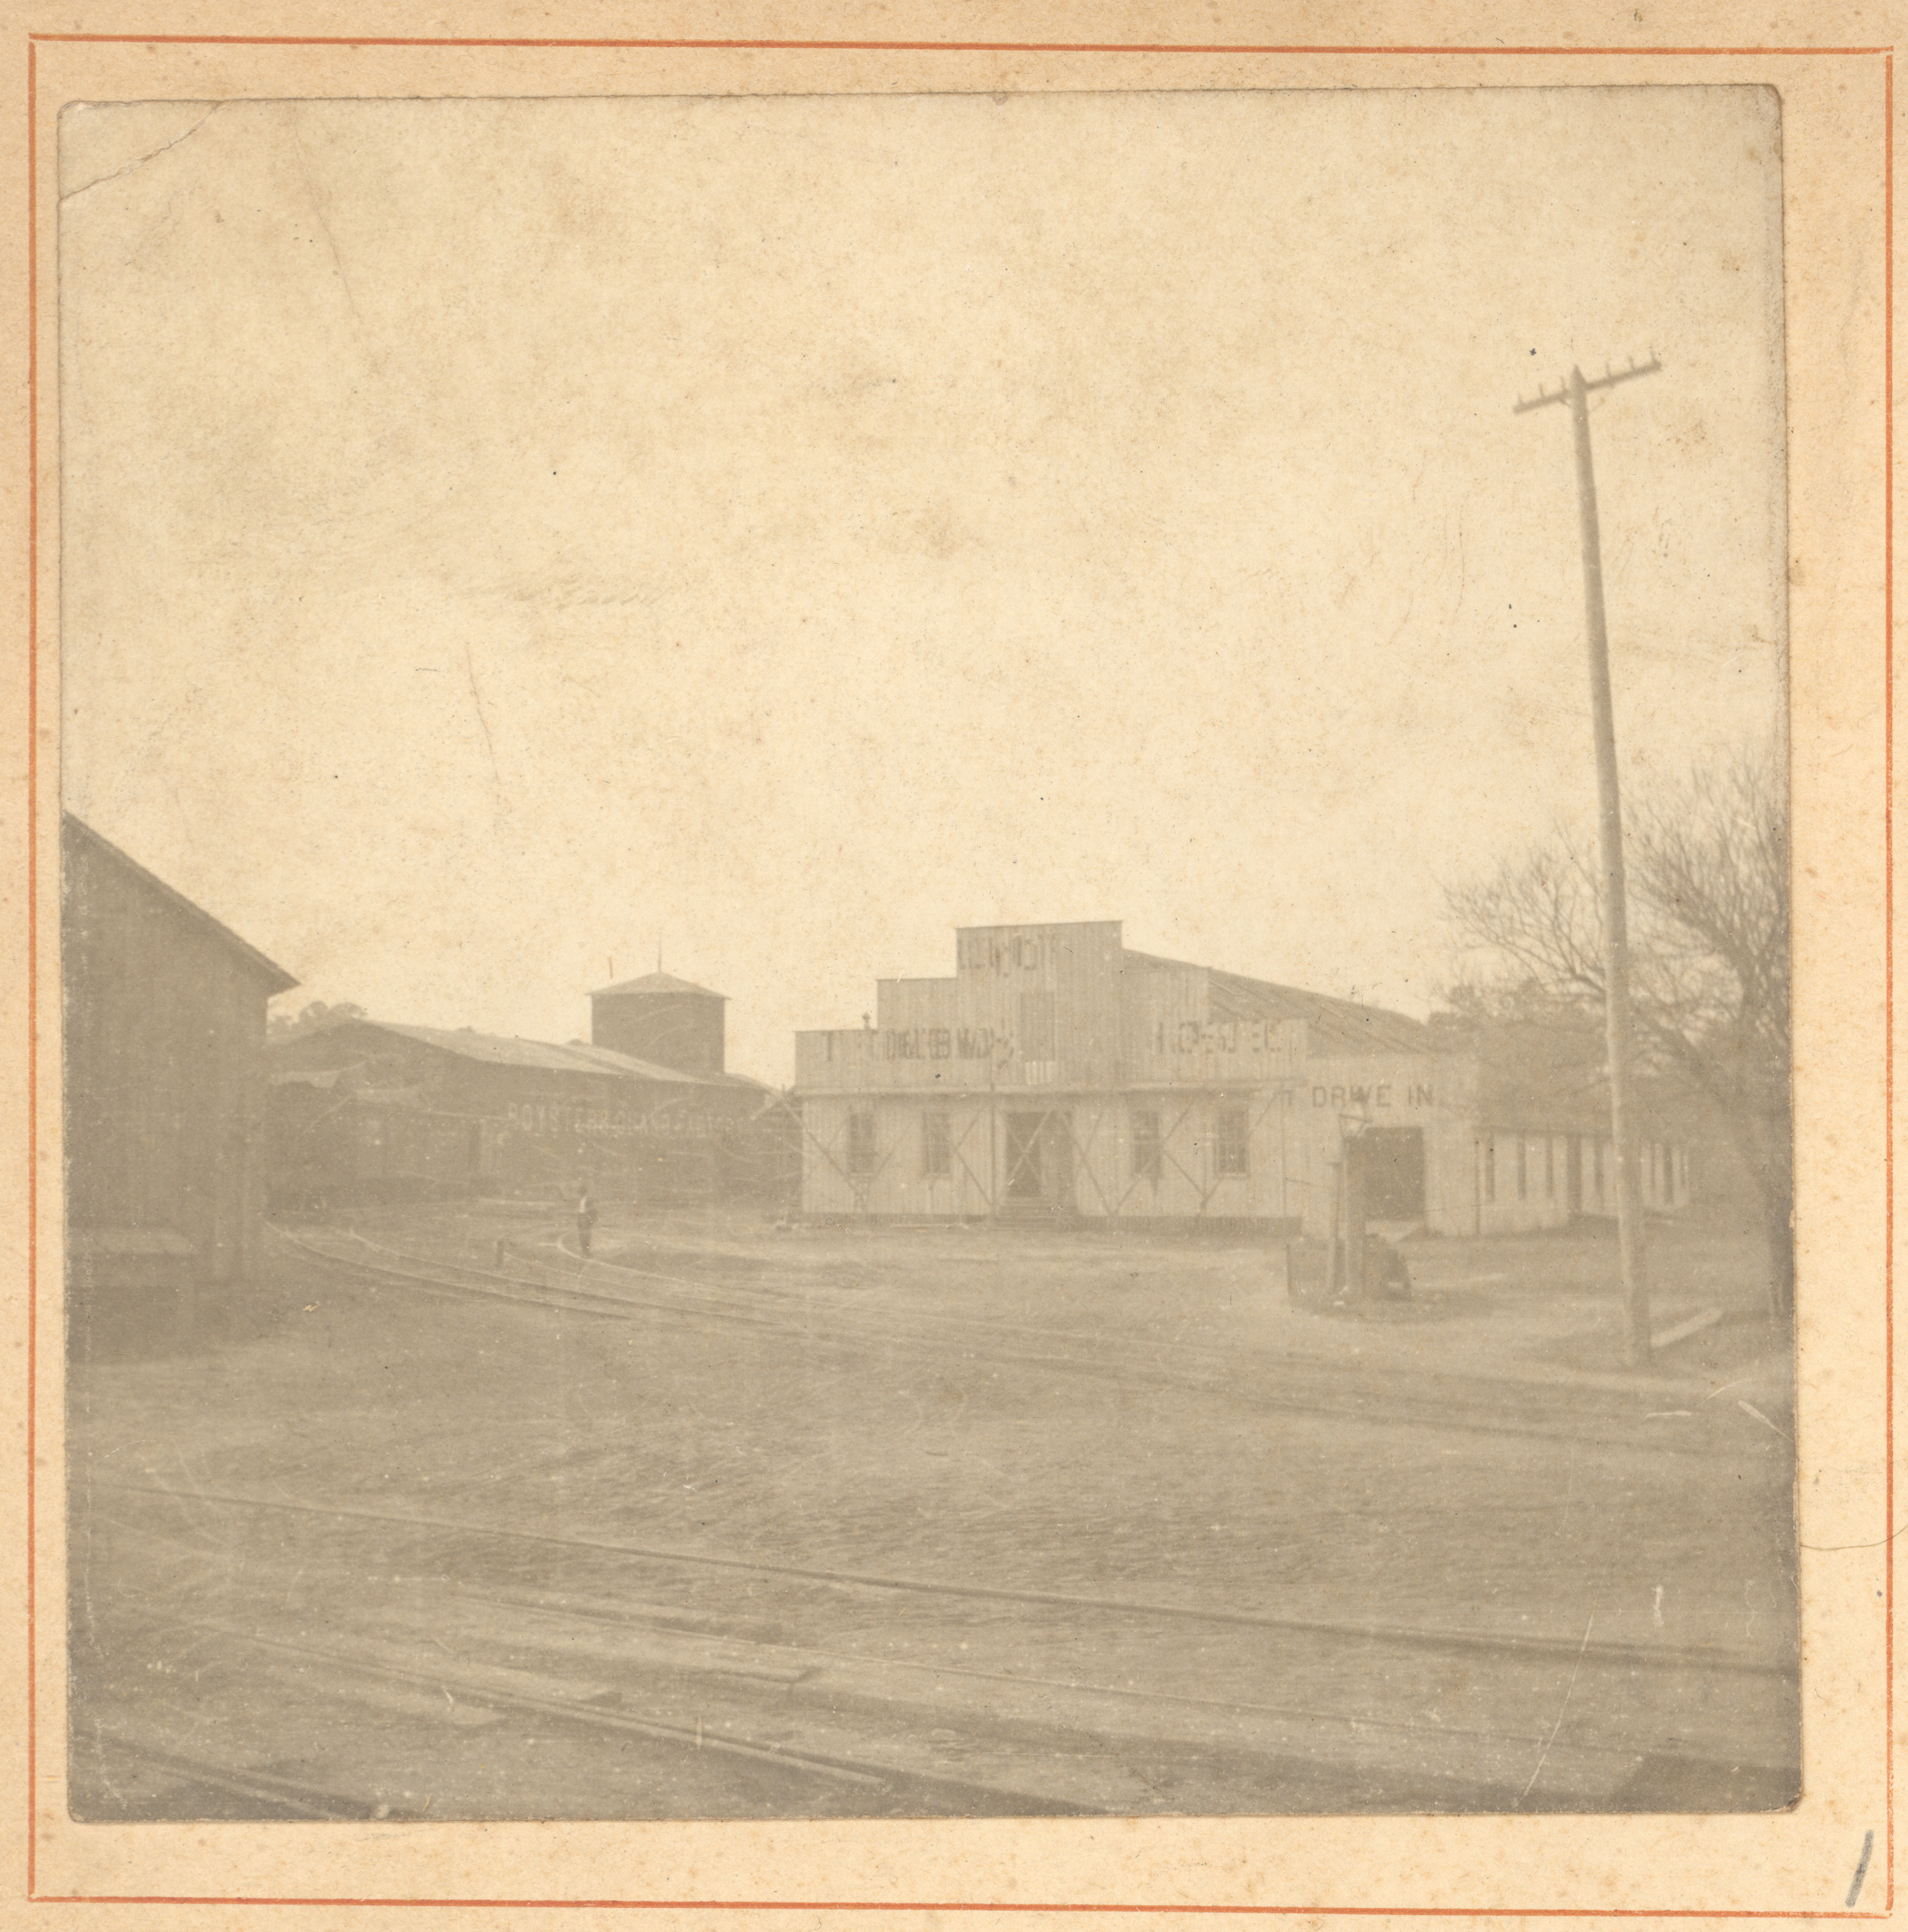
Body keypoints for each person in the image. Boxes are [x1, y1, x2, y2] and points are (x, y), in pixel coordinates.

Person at [575, 1188, 597, 1260]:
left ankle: (586, 1253)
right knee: (582, 1236)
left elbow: (592, 1210)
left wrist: (591, 1219)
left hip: (585, 1218)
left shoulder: (588, 1200)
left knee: (585, 1236)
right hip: (581, 1218)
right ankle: (584, 1252)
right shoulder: (581, 1200)